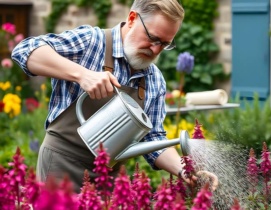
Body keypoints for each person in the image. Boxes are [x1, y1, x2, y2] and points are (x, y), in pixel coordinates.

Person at [12, 0, 218, 193]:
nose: (156, 49)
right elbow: (24, 50)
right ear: (132, 18)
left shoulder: (154, 80)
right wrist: (82, 75)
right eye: (153, 38)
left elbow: (153, 137)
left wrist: (184, 170)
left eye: (165, 44)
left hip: (109, 180)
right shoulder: (91, 42)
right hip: (60, 168)